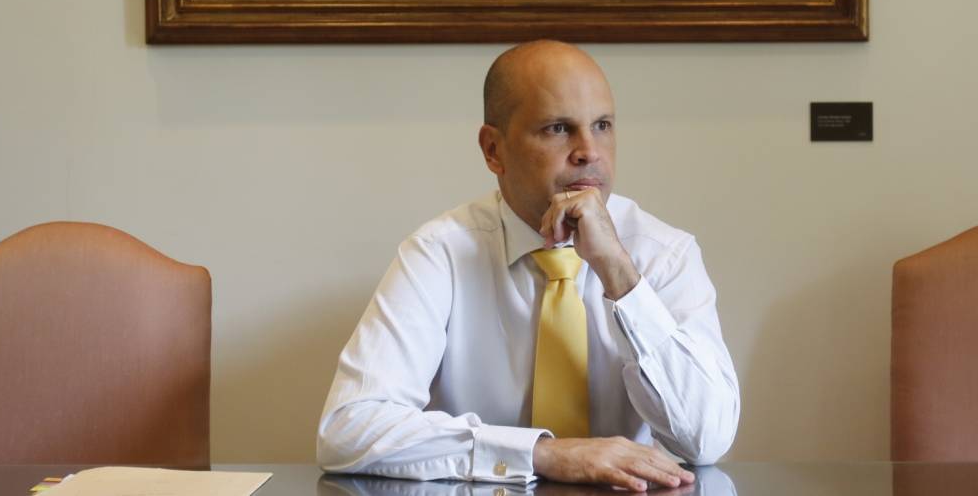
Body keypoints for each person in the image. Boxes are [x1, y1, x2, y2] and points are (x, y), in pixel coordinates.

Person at [317, 40, 740, 491]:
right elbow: (347, 429)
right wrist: (543, 453)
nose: (588, 151)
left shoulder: (663, 253)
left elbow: (706, 439)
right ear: (493, 150)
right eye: (558, 128)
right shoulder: (439, 253)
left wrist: (618, 272)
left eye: (602, 125)